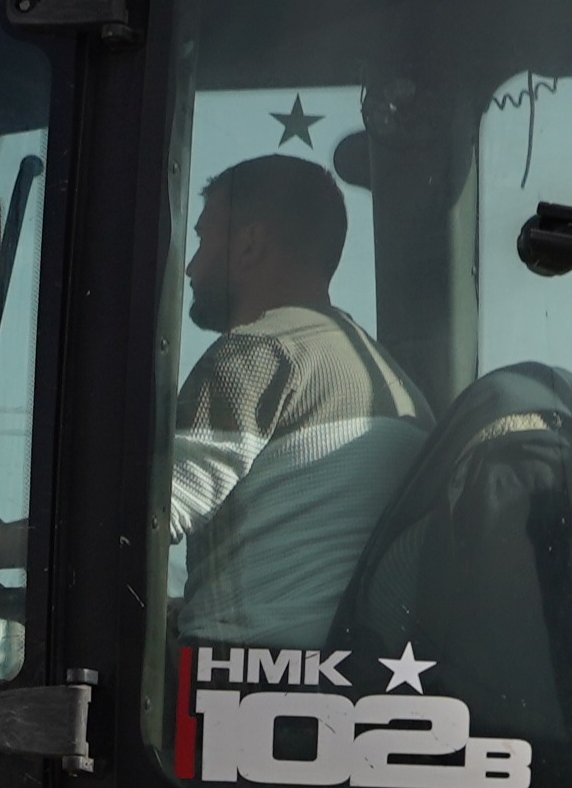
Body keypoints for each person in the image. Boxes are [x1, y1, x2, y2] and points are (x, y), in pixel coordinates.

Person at [160, 149, 423, 646]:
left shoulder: (260, 354)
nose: (191, 266)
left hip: (229, 690)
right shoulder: (394, 383)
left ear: (250, 243)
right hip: (324, 681)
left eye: (202, 238)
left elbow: (143, 519)